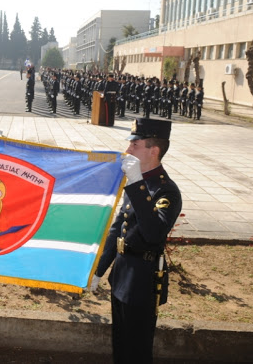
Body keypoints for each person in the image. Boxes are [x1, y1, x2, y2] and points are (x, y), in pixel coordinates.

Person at [94, 118, 182, 364]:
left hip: (142, 281)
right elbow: (117, 228)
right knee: (120, 345)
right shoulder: (138, 182)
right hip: (122, 275)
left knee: (137, 351)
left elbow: (153, 233)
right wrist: (99, 270)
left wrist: (135, 184)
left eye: (135, 144)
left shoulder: (166, 191)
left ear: (153, 151)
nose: (128, 150)